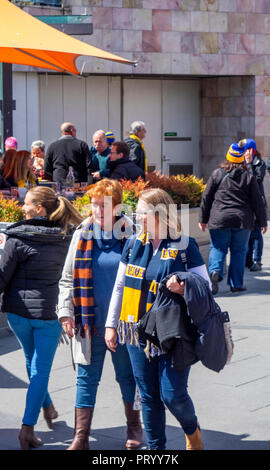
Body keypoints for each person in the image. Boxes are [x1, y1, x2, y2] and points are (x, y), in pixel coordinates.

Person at [105, 188, 211, 450]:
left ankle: (192, 432)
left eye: (141, 213)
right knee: (149, 396)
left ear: (159, 213)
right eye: (136, 213)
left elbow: (205, 288)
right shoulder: (133, 244)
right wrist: (111, 324)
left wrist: (184, 286)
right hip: (135, 332)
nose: (136, 218)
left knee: (173, 395)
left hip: (171, 333)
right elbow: (119, 287)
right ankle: (156, 450)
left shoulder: (184, 246)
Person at [57, 178, 143, 451]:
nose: (97, 211)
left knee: (127, 377)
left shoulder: (132, 235)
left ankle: (134, 428)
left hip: (123, 324)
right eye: (94, 205)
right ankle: (81, 437)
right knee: (86, 378)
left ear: (118, 206)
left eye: (104, 206)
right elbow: (67, 279)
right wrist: (65, 313)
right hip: (89, 323)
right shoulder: (82, 234)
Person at [0, 186, 83, 450]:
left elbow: (2, 278)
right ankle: (27, 429)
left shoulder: (16, 237)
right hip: (49, 313)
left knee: (31, 362)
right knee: (40, 370)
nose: (21, 207)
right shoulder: (69, 238)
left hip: (18, 313)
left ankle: (45, 405)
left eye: (26, 204)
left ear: (39, 209)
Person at [199, 142, 268, 295]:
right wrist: (262, 222)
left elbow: (207, 197)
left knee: (217, 248)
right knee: (239, 251)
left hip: (220, 219)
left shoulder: (217, 173)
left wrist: (202, 218)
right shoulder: (248, 176)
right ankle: (236, 284)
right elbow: (257, 200)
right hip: (242, 221)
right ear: (242, 158)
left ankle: (215, 272)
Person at [239, 139, 267, 272]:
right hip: (244, 203)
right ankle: (248, 260)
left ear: (251, 150)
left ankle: (257, 260)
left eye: (245, 149)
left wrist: (249, 164)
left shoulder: (259, 163)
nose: (243, 152)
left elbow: (255, 181)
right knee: (247, 233)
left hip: (255, 202)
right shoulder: (240, 161)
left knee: (256, 233)